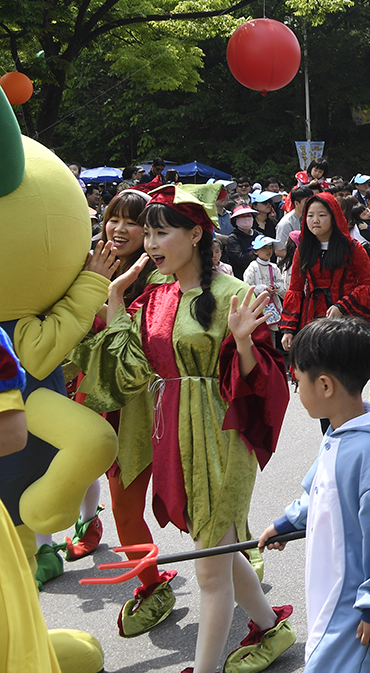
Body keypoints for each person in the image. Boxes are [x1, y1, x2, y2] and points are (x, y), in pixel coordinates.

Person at [79, 185, 295, 673]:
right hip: (173, 432)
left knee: (209, 568)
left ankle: (204, 668)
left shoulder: (233, 293)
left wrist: (242, 344)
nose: (151, 243)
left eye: (161, 232)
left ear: (196, 233)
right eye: (148, 233)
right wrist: (114, 299)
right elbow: (128, 372)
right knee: (216, 545)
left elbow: (263, 380)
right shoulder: (154, 297)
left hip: (223, 434)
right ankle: (270, 626)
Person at [257, 318, 370, 673]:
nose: (296, 388)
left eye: (297, 379)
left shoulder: (368, 452)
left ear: (323, 385)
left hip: (353, 602)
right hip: (333, 593)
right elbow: (324, 492)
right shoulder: (343, 435)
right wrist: (289, 522)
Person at [279, 192, 370, 355]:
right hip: (310, 319)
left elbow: (367, 285)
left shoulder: (353, 248)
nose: (315, 220)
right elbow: (295, 289)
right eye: (310, 215)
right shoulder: (303, 249)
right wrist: (288, 329)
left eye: (321, 215)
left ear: (334, 217)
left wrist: (342, 306)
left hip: (344, 320)